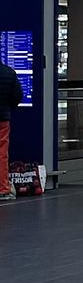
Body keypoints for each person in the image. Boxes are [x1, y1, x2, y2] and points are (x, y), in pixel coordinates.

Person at [0, 60, 20, 198]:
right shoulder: (9, 72)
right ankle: (2, 188)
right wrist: (8, 107)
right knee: (2, 154)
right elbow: (17, 95)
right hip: (2, 119)